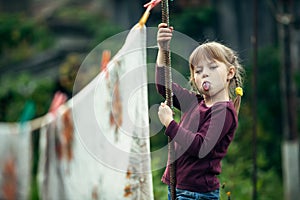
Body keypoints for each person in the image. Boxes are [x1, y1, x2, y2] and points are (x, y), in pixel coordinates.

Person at [156, 23, 245, 200]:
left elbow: (200, 147)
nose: (205, 73)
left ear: (229, 73)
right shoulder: (193, 102)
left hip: (197, 194)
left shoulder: (224, 112)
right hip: (177, 188)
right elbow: (163, 86)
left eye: (212, 67)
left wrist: (169, 123)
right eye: (198, 70)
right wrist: (162, 50)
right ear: (194, 78)